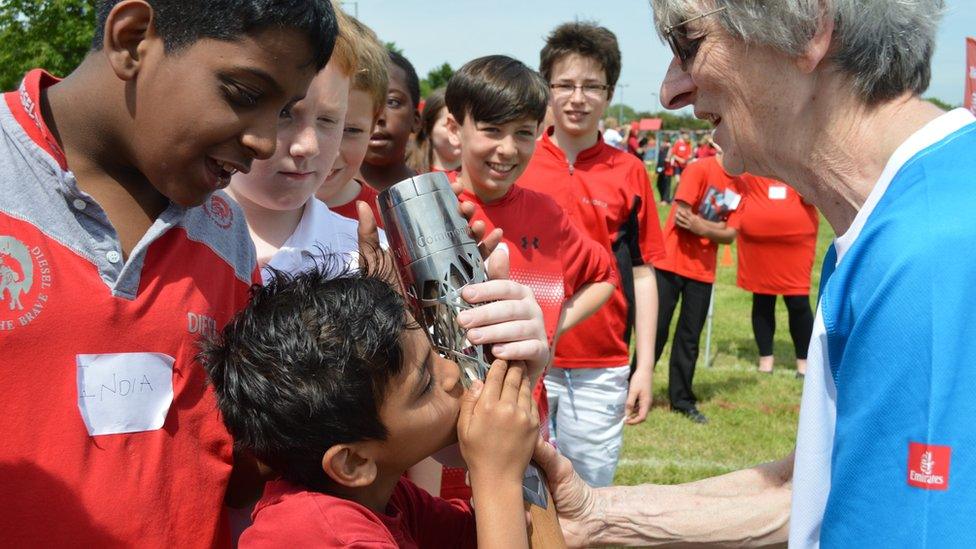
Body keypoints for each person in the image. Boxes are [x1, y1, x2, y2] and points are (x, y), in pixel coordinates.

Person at [536, 0, 976, 546]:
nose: (671, 90)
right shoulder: (900, 219)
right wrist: (596, 515)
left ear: (809, 29)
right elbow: (816, 490)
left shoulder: (932, 249)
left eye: (689, 45)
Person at [0, 1, 338, 545]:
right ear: (133, 40)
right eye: (245, 95)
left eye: (281, 111)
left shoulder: (224, 234)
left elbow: (243, 462)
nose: (264, 143)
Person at [201, 263, 541, 548]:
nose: (452, 374)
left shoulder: (386, 496)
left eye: (435, 357)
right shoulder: (320, 534)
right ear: (353, 461)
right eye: (425, 385)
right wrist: (497, 477)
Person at [438, 54, 618, 499]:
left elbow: (605, 276)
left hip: (522, 424)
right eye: (492, 130)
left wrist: (550, 326)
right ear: (454, 127)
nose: (508, 149)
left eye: (523, 133)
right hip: (436, 438)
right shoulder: (429, 205)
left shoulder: (546, 213)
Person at [520, 21, 666, 488]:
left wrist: (644, 368)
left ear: (609, 92)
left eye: (591, 86)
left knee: (588, 496)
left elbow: (643, 275)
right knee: (521, 492)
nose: (576, 97)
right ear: (546, 89)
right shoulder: (517, 162)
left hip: (601, 367)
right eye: (564, 84)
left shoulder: (629, 172)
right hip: (523, 358)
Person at [227, 7, 383, 279]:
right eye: (285, 113)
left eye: (328, 120)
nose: (309, 146)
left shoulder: (371, 257)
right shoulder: (166, 233)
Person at [653, 151, 743, 424]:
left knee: (689, 338)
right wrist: (714, 228)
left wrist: (702, 227)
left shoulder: (744, 186)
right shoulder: (698, 169)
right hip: (670, 263)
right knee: (655, 330)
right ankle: (634, 389)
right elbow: (682, 216)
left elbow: (730, 235)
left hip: (702, 272)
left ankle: (681, 400)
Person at [736, 175, 819, 378]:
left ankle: (804, 363)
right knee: (762, 299)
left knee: (798, 301)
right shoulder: (752, 164)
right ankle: (766, 359)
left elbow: (814, 195)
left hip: (796, 242)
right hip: (757, 243)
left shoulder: (795, 162)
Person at [316, 14, 388, 226]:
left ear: (374, 125)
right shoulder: (226, 214)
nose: (331, 150)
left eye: (351, 130)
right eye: (322, 121)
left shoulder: (388, 224)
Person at [361, 50, 420, 191]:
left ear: (416, 120)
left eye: (392, 102)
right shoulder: (316, 200)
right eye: (363, 102)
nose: (378, 116)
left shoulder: (436, 199)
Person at [407, 87, 462, 174]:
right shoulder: (409, 173)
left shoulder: (481, 174)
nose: (459, 133)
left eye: (463, 125)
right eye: (451, 126)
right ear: (428, 128)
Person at [655, 137, 673, 204]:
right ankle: (662, 199)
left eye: (665, 142)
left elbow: (668, 158)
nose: (663, 143)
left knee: (666, 186)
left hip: (668, 171)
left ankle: (666, 200)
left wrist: (670, 147)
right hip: (661, 170)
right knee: (659, 184)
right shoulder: (662, 149)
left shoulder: (670, 149)